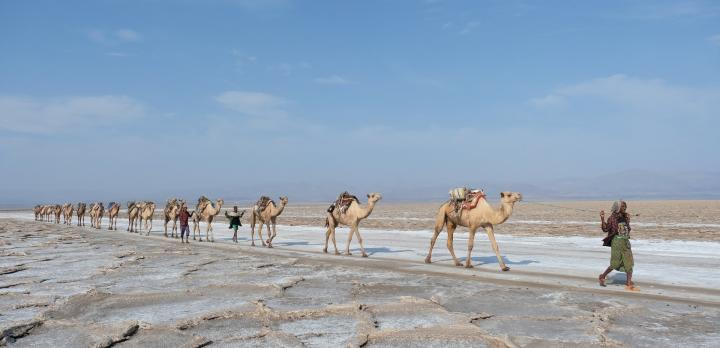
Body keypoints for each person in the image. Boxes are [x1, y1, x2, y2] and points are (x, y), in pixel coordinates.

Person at [599, 201, 639, 291]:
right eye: (622, 206)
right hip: (616, 242)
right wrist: (602, 218)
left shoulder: (625, 217)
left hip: (625, 242)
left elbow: (627, 229)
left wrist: (628, 220)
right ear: (617, 208)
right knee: (615, 263)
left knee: (629, 262)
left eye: (625, 206)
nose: (624, 208)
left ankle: (628, 283)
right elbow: (605, 229)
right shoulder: (612, 218)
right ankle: (602, 276)